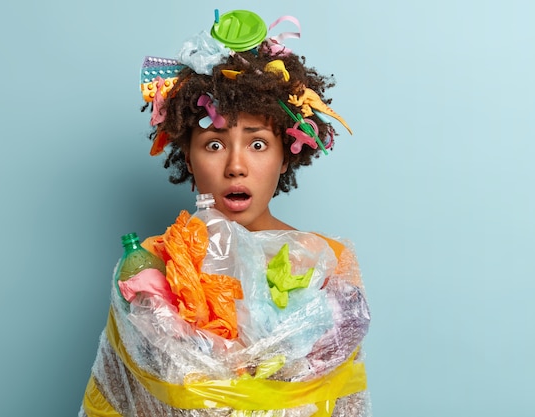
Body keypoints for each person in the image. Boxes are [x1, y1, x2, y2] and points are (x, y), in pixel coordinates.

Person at [80, 9, 371, 417]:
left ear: (286, 155)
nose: (236, 165)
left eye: (257, 144)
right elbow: (113, 398)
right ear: (187, 153)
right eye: (214, 145)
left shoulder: (329, 261)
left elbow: (348, 401)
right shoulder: (149, 264)